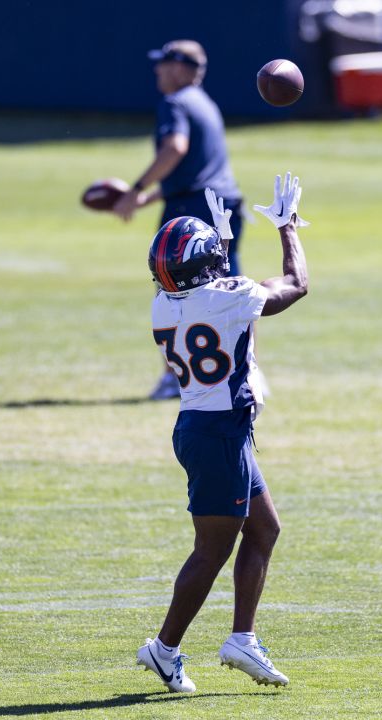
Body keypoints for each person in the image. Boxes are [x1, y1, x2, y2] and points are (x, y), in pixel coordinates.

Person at [136, 174, 309, 693]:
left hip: (205, 427)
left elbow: (229, 309)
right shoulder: (226, 297)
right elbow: (294, 285)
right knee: (211, 551)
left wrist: (222, 244)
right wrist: (287, 227)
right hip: (218, 435)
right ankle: (163, 649)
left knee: (264, 530)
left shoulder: (163, 306)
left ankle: (242, 638)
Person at [111, 40, 246, 399]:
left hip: (190, 212)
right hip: (222, 204)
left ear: (181, 68)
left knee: (173, 292)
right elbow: (194, 173)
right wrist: (146, 198)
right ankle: (245, 370)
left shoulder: (174, 103)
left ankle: (176, 377)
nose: (157, 71)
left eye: (163, 64)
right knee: (232, 290)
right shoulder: (205, 104)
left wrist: (136, 186)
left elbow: (175, 149)